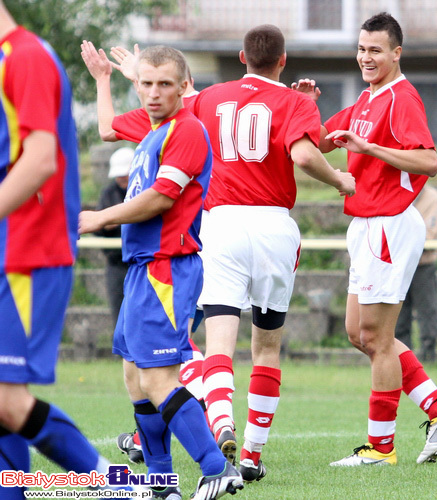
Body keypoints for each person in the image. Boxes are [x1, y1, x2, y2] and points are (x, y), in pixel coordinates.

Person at [109, 25, 355, 483]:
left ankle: (219, 422)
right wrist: (340, 180)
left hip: (219, 224)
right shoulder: (295, 101)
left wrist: (131, 76)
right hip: (273, 226)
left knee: (216, 341)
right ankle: (252, 456)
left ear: (242, 56)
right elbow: (302, 153)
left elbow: (173, 99)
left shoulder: (209, 97)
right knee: (266, 345)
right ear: (282, 61)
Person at [79, 45, 244, 500]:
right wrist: (103, 80)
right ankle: (160, 483)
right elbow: (109, 127)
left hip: (165, 270)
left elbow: (162, 197)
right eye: (146, 84)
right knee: (134, 377)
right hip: (141, 269)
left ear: (184, 87)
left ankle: (217, 468)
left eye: (164, 84)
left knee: (158, 379)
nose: (153, 93)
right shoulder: (156, 128)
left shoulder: (187, 130)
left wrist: (99, 217)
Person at [0, 3, 147, 499]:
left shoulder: (24, 58)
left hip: (27, 255)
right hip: (9, 252)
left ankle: (119, 485)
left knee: (6, 400)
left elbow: (40, 161)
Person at [314, 12, 437, 466]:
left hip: (390, 223)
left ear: (396, 53)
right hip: (365, 224)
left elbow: (429, 162)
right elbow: (322, 140)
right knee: (357, 334)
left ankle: (381, 449)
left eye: (375, 50)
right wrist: (304, 104)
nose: (366, 57)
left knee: (377, 338)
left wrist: (369, 149)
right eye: (362, 49)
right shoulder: (367, 98)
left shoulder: (402, 97)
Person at [395, 183, 437, 362]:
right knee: (398, 316)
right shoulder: (395, 191)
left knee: (427, 311)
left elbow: (429, 234)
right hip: (399, 265)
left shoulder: (432, 197)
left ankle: (429, 355)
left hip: (423, 265)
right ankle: (402, 360)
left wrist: (399, 240)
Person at [94, 146, 134, 327]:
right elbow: (96, 225)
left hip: (140, 263)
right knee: (119, 313)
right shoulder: (108, 194)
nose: (121, 178)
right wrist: (107, 223)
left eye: (124, 174)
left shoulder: (144, 190)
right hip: (115, 263)